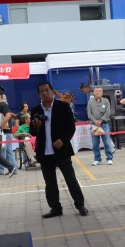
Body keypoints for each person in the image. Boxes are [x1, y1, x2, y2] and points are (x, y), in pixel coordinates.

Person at [30, 81, 89, 217]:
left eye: (47, 90)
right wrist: (36, 127)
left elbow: (71, 127)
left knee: (70, 179)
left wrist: (62, 140)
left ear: (52, 91)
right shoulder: (35, 111)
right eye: (42, 91)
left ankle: (80, 205)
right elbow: (32, 132)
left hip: (62, 151)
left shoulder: (63, 106)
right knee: (50, 183)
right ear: (39, 94)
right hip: (45, 152)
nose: (45, 93)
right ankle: (55, 208)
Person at [87, 86, 114, 165]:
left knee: (107, 143)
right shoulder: (90, 102)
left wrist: (101, 120)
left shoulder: (106, 101)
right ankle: (97, 159)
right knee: (95, 144)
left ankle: (109, 158)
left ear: (102, 93)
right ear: (94, 92)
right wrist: (95, 121)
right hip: (94, 126)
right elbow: (89, 113)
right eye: (96, 91)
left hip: (104, 125)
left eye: (99, 91)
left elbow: (107, 112)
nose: (98, 92)